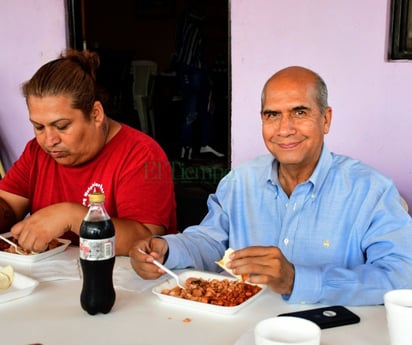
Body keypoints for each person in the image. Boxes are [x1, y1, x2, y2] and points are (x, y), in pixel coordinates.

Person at [129, 66, 412, 306]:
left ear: (325, 119)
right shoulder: (240, 182)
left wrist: (297, 279)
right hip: (242, 328)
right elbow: (212, 240)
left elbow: (402, 275)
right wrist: (166, 249)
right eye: (272, 115)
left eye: (299, 112)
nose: (284, 128)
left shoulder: (370, 190)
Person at [0, 49, 177, 256]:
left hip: (123, 282)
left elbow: (147, 240)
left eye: (62, 126)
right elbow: (9, 206)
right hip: (52, 280)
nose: (49, 141)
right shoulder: (36, 152)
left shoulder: (141, 154)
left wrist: (72, 216)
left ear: (95, 114)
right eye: (39, 127)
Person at [175, 0, 224, 160]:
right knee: (191, 109)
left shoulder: (193, 17)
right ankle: (186, 149)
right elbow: (205, 20)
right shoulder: (191, 15)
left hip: (197, 67)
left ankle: (204, 145)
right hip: (190, 67)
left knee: (207, 107)